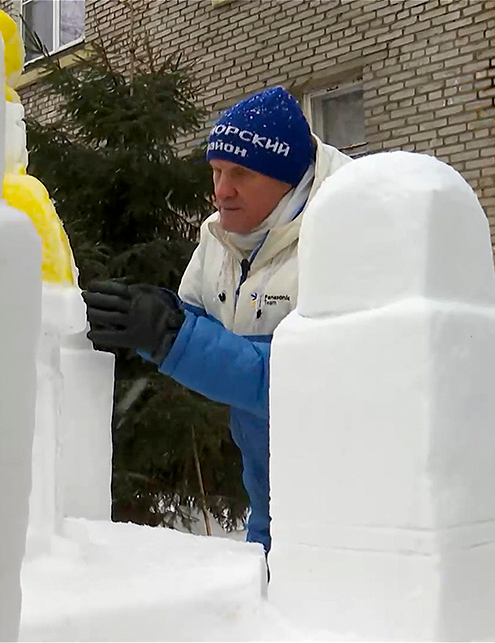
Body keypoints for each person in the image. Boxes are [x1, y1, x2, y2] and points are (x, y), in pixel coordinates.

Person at [82, 86, 352, 553]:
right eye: (216, 172)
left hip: (353, 510)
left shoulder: (343, 237)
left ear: (289, 178)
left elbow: (304, 384)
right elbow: (194, 320)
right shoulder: (220, 238)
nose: (220, 191)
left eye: (240, 174)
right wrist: (149, 318)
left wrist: (170, 336)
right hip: (271, 499)